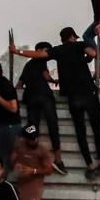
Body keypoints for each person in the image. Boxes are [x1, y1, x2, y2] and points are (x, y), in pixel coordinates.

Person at [10, 27, 100, 181]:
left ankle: (89, 166)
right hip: (88, 93)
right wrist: (87, 53)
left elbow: (39, 55)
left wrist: (18, 52)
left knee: (80, 131)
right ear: (72, 37)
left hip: (73, 96)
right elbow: (93, 53)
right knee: (97, 129)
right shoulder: (79, 45)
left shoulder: (58, 50)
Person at [15, 41, 66, 175]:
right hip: (44, 96)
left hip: (31, 98)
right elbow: (46, 76)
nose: (47, 54)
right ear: (38, 50)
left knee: (32, 129)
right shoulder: (41, 62)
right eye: (45, 51)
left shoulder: (28, 65)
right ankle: (58, 160)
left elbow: (19, 85)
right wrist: (55, 81)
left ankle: (31, 158)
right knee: (53, 126)